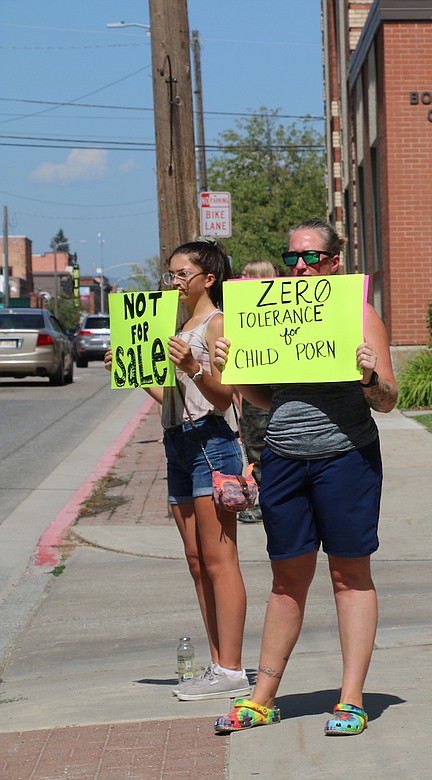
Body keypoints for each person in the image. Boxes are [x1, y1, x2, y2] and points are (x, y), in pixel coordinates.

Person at [211, 219, 398, 737]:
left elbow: (387, 399)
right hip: (284, 459)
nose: (299, 266)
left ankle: (352, 699)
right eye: (293, 256)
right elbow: (269, 400)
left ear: (335, 262)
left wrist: (368, 377)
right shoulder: (270, 316)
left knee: (348, 575)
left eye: (311, 257)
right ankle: (263, 698)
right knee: (286, 579)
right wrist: (235, 369)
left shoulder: (358, 314)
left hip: (346, 458)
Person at [105, 238, 251, 703]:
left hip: (212, 443)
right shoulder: (178, 323)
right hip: (179, 442)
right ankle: (217, 663)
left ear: (209, 278)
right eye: (169, 274)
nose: (173, 282)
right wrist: (136, 374)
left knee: (218, 560)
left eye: (181, 274)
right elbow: (173, 400)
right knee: (195, 562)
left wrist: (191, 366)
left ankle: (232, 667)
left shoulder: (216, 323)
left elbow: (224, 397)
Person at [233, 259, 279, 525]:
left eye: (245, 276)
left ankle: (268, 503)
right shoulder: (243, 315)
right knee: (252, 448)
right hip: (250, 399)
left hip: (269, 396)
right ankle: (265, 500)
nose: (241, 279)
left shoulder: (271, 317)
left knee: (264, 451)